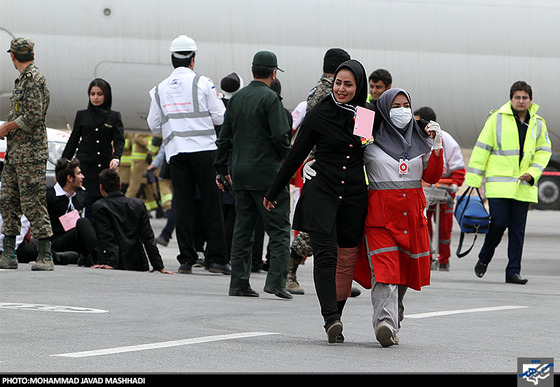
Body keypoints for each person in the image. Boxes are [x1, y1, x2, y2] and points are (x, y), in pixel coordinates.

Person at [264, 59, 369, 342]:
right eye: (338, 83)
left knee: (346, 260)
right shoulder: (320, 113)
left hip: (353, 197)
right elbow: (295, 154)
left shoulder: (366, 114)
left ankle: (338, 312)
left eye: (348, 84)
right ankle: (330, 319)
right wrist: (273, 192)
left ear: (359, 86)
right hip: (321, 191)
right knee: (326, 256)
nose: (342, 89)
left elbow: (372, 154)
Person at [354, 88, 444, 347]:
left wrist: (436, 147)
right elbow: (345, 153)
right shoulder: (367, 137)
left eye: (406, 105)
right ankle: (384, 322)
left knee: (403, 272)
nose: (402, 111)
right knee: (385, 273)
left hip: (412, 216)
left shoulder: (422, 138)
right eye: (395, 106)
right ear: (383, 109)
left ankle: (395, 316)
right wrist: (316, 160)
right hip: (380, 217)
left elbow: (432, 177)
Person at [147, 34, 231, 275]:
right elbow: (220, 116)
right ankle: (216, 259)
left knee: (183, 205)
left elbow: (154, 126)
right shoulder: (203, 83)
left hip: (176, 153)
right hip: (204, 151)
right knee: (211, 205)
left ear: (173, 59)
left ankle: (186, 259)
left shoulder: (159, 89)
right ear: (192, 59)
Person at [215, 50, 292, 299]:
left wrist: (220, 169)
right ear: (273, 73)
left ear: (252, 71)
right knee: (279, 229)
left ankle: (239, 282)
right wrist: (285, 157)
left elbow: (223, 137)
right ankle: (276, 281)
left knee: (243, 228)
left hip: (240, 173)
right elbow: (281, 135)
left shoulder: (236, 99)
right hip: (267, 173)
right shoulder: (270, 99)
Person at [466, 81, 552, 284]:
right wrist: (473, 180)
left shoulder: (538, 123)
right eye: (517, 97)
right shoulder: (496, 119)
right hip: (499, 185)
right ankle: (484, 258)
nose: (521, 101)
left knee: (517, 231)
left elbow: (544, 152)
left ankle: (513, 272)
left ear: (530, 100)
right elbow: (482, 149)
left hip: (523, 186)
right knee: (498, 224)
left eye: (524, 98)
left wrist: (533, 173)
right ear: (511, 99)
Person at [287, 48, 351, 296]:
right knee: (318, 227)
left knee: (334, 227)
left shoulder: (320, 89)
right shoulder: (329, 93)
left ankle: (340, 278)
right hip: (324, 167)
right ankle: (289, 272)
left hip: (329, 166)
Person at [0, 37, 53, 271]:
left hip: (31, 154)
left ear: (13, 56)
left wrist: (7, 127)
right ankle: (8, 253)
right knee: (9, 201)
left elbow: (33, 117)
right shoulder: (23, 79)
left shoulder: (33, 80)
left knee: (33, 202)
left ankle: (45, 254)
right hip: (16, 153)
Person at [62, 78, 125, 221]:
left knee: (100, 209)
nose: (95, 98)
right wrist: (63, 165)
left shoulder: (114, 116)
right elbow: (73, 141)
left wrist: (116, 158)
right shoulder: (82, 115)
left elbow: (119, 140)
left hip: (103, 169)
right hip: (84, 169)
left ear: (106, 95)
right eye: (92, 94)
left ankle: (99, 238)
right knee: (82, 205)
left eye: (99, 94)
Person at [91, 169, 173, 274]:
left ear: (101, 188)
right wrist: (158, 265)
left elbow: (107, 237)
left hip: (117, 261)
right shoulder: (138, 204)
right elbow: (148, 238)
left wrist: (111, 263)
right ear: (120, 186)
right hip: (138, 262)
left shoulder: (100, 206)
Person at [414, 106, 465, 271]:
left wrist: (453, 184)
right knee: (424, 224)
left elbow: (457, 167)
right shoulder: (416, 140)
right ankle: (426, 256)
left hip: (443, 190)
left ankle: (444, 259)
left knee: (444, 228)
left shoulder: (446, 141)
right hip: (425, 189)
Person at [46, 158, 98, 266]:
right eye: (79, 173)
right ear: (70, 178)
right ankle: (98, 258)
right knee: (82, 223)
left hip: (77, 243)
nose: (82, 177)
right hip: (56, 242)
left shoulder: (81, 196)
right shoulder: (50, 196)